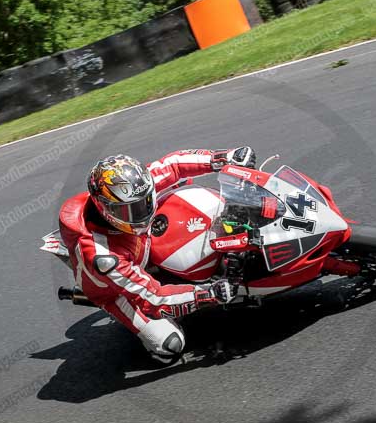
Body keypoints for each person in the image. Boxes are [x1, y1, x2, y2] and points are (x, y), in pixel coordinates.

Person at [58, 147, 256, 363]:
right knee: (170, 346)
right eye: (130, 211)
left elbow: (173, 165)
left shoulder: (132, 187)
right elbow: (154, 297)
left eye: (145, 202)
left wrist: (223, 158)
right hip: (119, 289)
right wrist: (209, 294)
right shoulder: (103, 256)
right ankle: (112, 307)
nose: (142, 213)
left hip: (140, 245)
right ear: (105, 209)